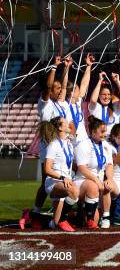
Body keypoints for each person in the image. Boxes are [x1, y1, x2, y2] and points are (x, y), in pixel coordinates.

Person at [22, 55, 72, 230]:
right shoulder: (45, 104)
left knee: (57, 183)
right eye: (56, 88)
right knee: (47, 182)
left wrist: (66, 68)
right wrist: (54, 67)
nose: (59, 90)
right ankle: (33, 213)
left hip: (62, 147)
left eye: (60, 88)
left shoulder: (62, 104)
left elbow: (64, 86)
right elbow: (49, 86)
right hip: (49, 147)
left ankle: (49, 217)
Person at [74, 117, 118, 229]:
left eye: (105, 131)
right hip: (82, 181)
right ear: (93, 132)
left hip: (97, 181)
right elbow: (82, 168)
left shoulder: (106, 145)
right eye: (102, 131)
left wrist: (109, 178)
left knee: (110, 186)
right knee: (93, 186)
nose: (105, 134)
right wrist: (96, 180)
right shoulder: (83, 145)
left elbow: (109, 165)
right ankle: (81, 210)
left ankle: (106, 217)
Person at [42, 117, 79, 232]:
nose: (69, 123)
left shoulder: (68, 143)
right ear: (59, 127)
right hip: (53, 182)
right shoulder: (53, 145)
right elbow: (47, 169)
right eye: (65, 122)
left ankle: (31, 216)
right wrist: (62, 178)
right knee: (74, 191)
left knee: (55, 224)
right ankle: (63, 219)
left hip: (65, 181)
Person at [65, 53, 95, 145]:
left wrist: (89, 66)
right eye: (76, 90)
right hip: (68, 141)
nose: (80, 93)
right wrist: (66, 68)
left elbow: (84, 84)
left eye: (77, 89)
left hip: (82, 141)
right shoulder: (64, 105)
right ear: (70, 92)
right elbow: (63, 86)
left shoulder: (78, 102)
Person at [89, 71, 120, 136]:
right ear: (99, 95)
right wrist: (100, 81)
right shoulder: (96, 106)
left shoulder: (115, 107)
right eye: (104, 94)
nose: (106, 97)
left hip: (112, 142)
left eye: (109, 94)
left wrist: (117, 82)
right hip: (96, 141)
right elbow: (93, 100)